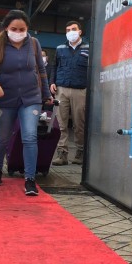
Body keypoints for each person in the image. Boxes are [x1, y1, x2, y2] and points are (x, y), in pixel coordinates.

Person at [0, 10, 52, 196]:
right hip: (5, 98)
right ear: (6, 28)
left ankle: (30, 179)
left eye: (22, 29)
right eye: (14, 28)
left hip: (31, 98)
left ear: (27, 28)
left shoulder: (34, 44)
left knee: (30, 137)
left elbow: (41, 71)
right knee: (2, 138)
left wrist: (46, 94)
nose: (18, 32)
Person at [50, 20, 89, 166]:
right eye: (67, 30)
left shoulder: (89, 48)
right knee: (61, 123)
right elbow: (54, 66)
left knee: (80, 123)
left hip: (81, 90)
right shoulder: (60, 48)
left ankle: (80, 152)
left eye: (73, 29)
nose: (70, 32)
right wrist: (52, 82)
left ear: (80, 31)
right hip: (61, 90)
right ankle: (62, 154)